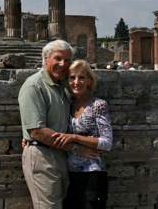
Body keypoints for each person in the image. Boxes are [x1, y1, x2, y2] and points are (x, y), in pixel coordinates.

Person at [19, 40, 101, 209]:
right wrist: (77, 149)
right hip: (42, 155)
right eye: (57, 58)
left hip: (58, 154)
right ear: (45, 58)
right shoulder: (34, 86)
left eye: (67, 60)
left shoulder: (62, 86)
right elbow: (37, 131)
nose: (62, 64)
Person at [52, 59, 113, 209]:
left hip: (92, 174)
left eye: (81, 77)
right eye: (72, 77)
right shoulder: (68, 104)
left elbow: (106, 142)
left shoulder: (98, 105)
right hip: (69, 174)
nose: (76, 82)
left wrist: (74, 137)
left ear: (89, 81)